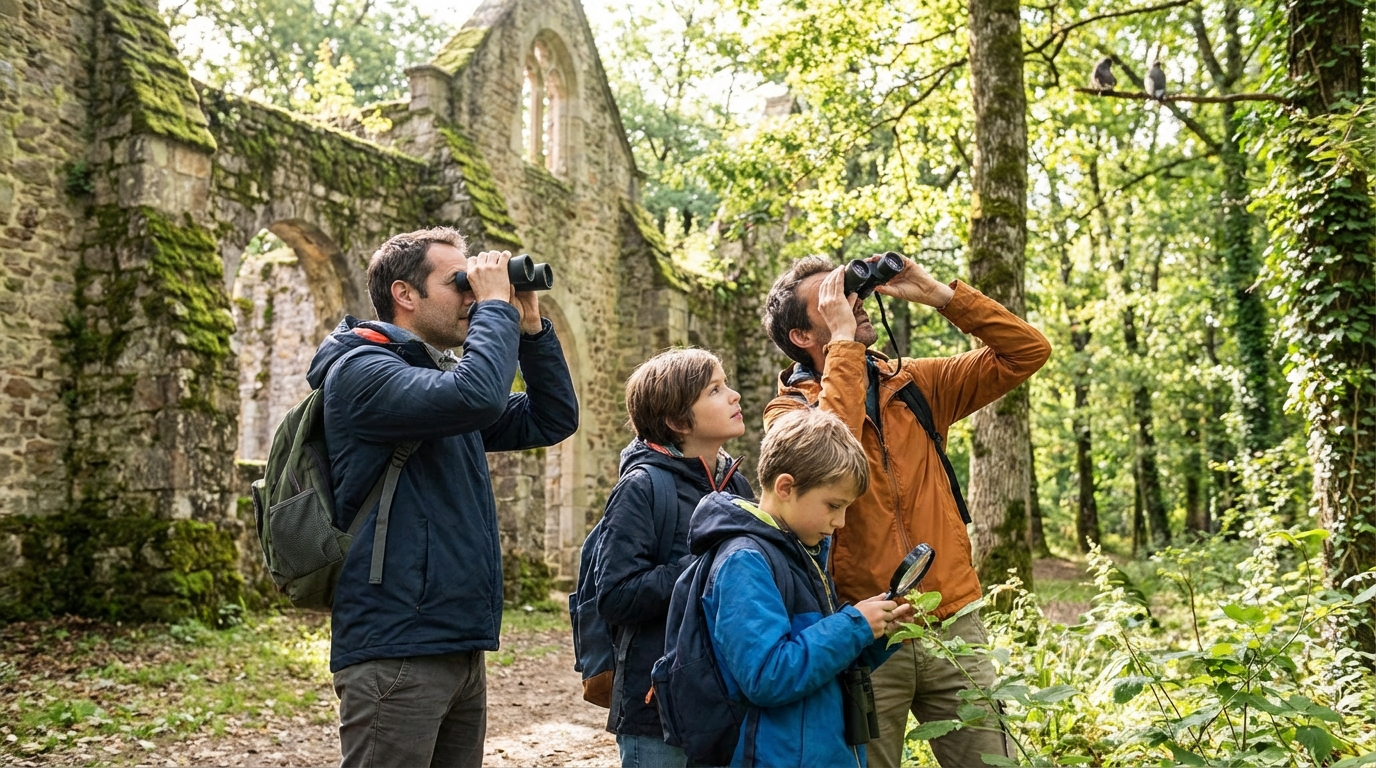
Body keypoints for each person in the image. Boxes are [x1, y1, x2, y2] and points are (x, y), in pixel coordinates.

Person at [761, 255, 1051, 768]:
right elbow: (829, 453)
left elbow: (1027, 351)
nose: (853, 300)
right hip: (864, 629)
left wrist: (941, 295)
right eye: (831, 298)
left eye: (849, 289)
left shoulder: (914, 385)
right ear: (803, 335)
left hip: (952, 618)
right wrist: (845, 346)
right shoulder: (786, 413)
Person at [307, 228, 579, 768]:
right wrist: (496, 310)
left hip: (454, 640)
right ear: (405, 294)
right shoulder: (363, 373)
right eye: (459, 282)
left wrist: (531, 330)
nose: (473, 295)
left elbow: (552, 418)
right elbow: (478, 397)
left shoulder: (437, 383)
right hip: (396, 645)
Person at [691, 407, 913, 768]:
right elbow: (767, 675)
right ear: (786, 487)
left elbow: (822, 665)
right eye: (833, 505)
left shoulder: (803, 552)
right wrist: (853, 625)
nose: (839, 522)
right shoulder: (744, 562)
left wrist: (876, 635)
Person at [594, 348, 753, 768]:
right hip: (657, 711)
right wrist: (705, 570)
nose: (734, 396)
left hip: (727, 702)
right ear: (679, 422)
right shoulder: (642, 488)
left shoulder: (737, 485)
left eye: (727, 384)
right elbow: (614, 595)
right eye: (715, 390)